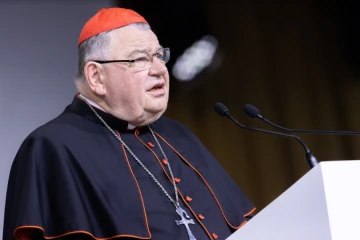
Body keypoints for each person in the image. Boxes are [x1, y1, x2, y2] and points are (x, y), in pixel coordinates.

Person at [2, 7, 255, 240]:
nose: (159, 69)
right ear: (96, 77)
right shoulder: (51, 147)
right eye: (139, 59)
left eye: (159, 55)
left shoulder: (177, 133)